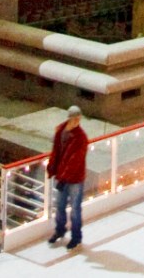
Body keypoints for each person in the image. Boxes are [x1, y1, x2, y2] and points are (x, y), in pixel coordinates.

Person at [46, 106, 88, 249]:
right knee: (60, 205)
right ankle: (60, 229)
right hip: (62, 176)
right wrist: (52, 168)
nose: (77, 121)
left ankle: (76, 236)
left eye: (78, 118)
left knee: (75, 209)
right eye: (74, 118)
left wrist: (63, 178)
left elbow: (75, 161)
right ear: (69, 118)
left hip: (75, 178)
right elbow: (56, 152)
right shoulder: (61, 131)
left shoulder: (81, 137)